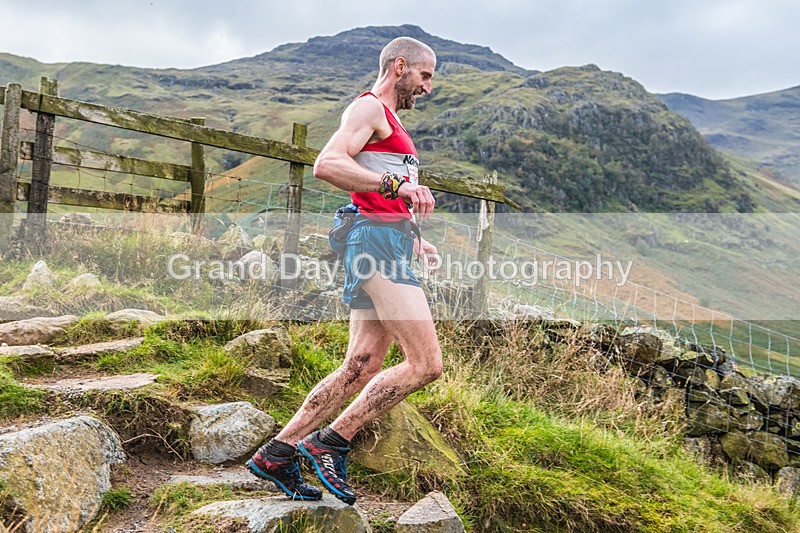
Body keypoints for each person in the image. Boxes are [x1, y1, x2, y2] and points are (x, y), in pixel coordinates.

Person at [246, 36, 442, 506]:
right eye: (425, 75)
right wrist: (399, 186)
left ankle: (278, 452)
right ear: (400, 67)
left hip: (384, 238)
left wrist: (414, 235)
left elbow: (376, 194)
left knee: (361, 366)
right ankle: (331, 440)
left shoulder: (390, 123)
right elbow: (327, 164)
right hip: (375, 244)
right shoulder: (369, 109)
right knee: (426, 365)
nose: (428, 87)